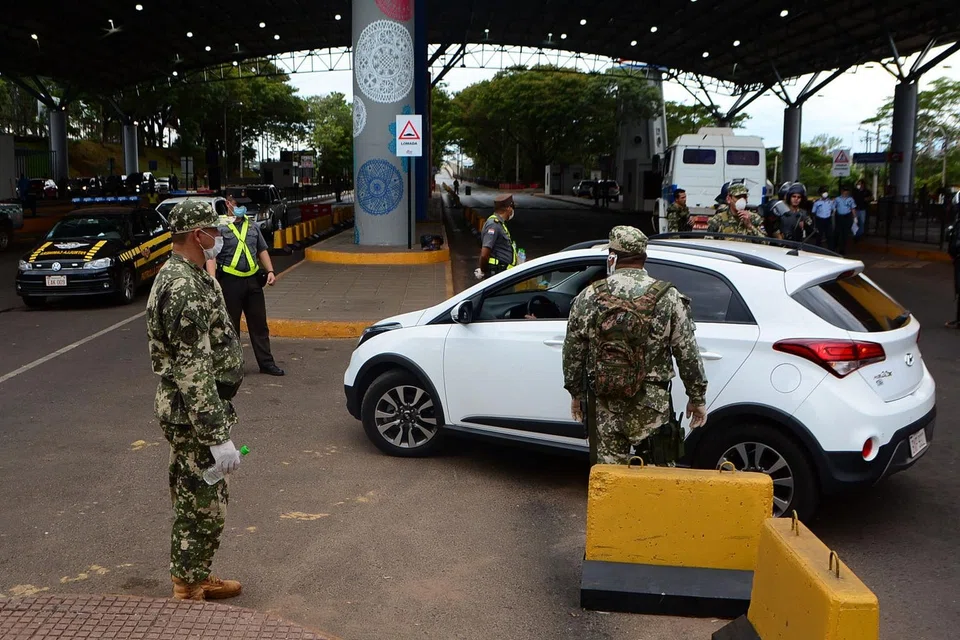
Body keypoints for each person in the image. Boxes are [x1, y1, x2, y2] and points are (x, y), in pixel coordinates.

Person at [145, 198, 245, 601]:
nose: (219, 236)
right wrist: (217, 437)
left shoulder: (191, 275)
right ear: (197, 235)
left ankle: (197, 573)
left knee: (201, 495)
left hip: (196, 411)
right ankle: (187, 589)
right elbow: (193, 369)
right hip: (193, 415)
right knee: (201, 503)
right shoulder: (183, 287)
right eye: (214, 230)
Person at [562, 226, 708, 465]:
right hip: (652, 404)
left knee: (609, 478)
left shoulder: (589, 296)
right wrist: (697, 397)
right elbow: (687, 354)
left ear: (612, 257)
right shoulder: (669, 297)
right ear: (644, 257)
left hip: (604, 402)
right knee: (656, 478)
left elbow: (573, 352)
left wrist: (576, 394)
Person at [207, 196, 284, 376]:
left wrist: (270, 271)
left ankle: (266, 364)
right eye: (238, 205)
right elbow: (212, 256)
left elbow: (262, 249)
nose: (241, 208)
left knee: (259, 325)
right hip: (230, 281)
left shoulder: (252, 226)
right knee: (230, 327)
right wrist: (212, 280)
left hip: (252, 281)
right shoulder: (220, 228)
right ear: (228, 204)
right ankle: (232, 366)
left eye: (244, 205)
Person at [476, 194, 518, 279]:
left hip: (502, 272)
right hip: (497, 273)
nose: (513, 211)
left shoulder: (499, 224)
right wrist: (483, 271)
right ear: (508, 208)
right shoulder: (493, 225)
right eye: (512, 208)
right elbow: (484, 254)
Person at [833, 186, 857, 256]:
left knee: (845, 233)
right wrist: (833, 214)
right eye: (844, 192)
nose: (845, 194)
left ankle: (842, 249)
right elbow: (834, 207)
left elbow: (853, 208)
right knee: (838, 231)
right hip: (839, 217)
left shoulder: (850, 199)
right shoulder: (837, 199)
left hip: (847, 216)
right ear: (842, 192)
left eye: (847, 192)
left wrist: (855, 217)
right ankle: (835, 244)